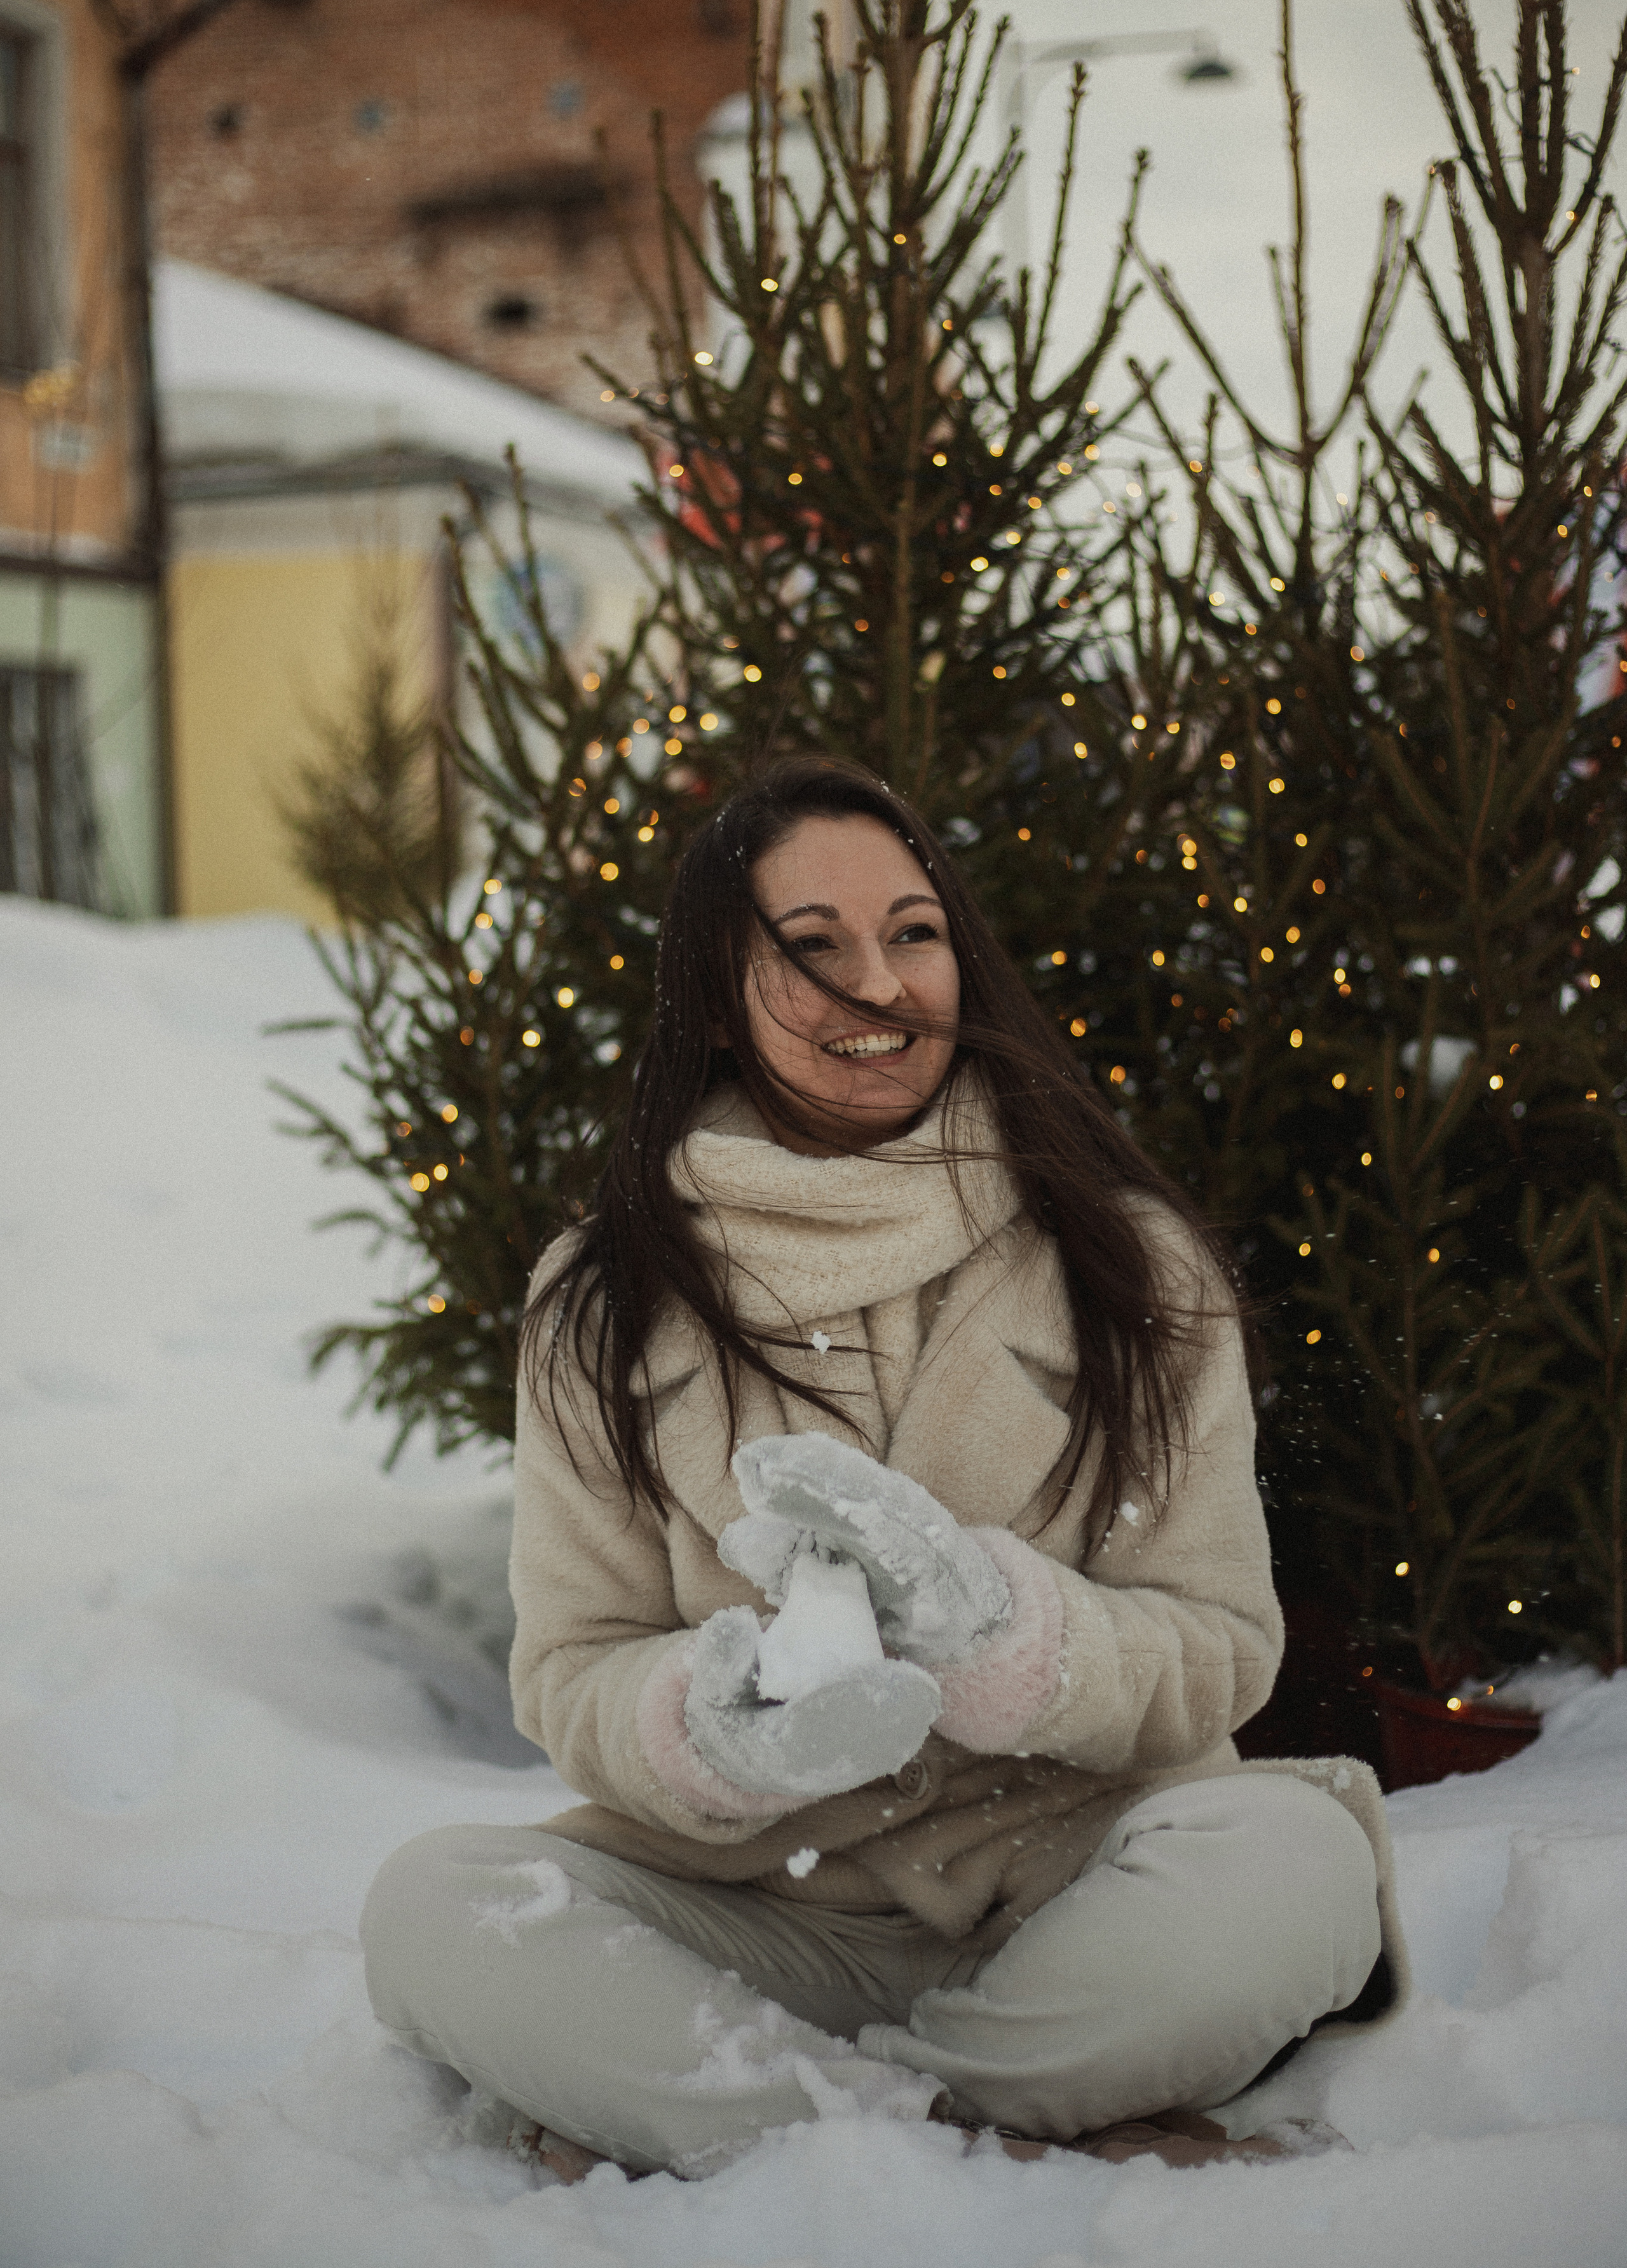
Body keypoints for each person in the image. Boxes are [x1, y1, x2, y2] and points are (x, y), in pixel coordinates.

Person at [361, 756, 1405, 2180]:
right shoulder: (601, 1299)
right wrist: (716, 1730)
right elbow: (571, 1669)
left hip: (1080, 1897)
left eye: (915, 933)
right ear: (715, 1001)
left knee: (1297, 1866)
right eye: (812, 947)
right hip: (752, 1919)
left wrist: (1008, 1638)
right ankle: (1003, 2129)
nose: (882, 983)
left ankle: (800, 2135)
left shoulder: (1130, 1263)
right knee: (434, 1908)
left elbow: (1222, 1649)